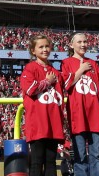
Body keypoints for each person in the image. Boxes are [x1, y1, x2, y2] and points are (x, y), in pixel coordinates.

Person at [61, 33, 99, 176]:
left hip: (95, 114)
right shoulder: (66, 62)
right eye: (79, 42)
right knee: (80, 155)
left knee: (96, 155)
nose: (83, 44)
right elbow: (67, 84)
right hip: (77, 114)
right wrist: (80, 70)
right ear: (71, 45)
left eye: (85, 41)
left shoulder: (94, 64)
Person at [20, 35, 64, 176]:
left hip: (53, 122)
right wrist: (47, 81)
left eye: (47, 46)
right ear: (33, 50)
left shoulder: (55, 71)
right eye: (41, 47)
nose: (45, 49)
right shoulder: (30, 68)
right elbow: (30, 89)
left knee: (51, 162)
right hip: (38, 122)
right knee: (37, 161)